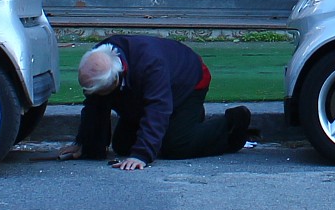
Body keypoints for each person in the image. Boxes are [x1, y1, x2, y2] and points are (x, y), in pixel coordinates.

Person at [64, 35, 252, 169]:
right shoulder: (99, 59)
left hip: (187, 85)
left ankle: (232, 124)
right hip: (142, 92)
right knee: (122, 146)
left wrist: (142, 155)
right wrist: (85, 143)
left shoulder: (151, 64)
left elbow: (158, 109)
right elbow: (94, 104)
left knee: (175, 146)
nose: (93, 94)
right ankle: (186, 122)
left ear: (116, 79)